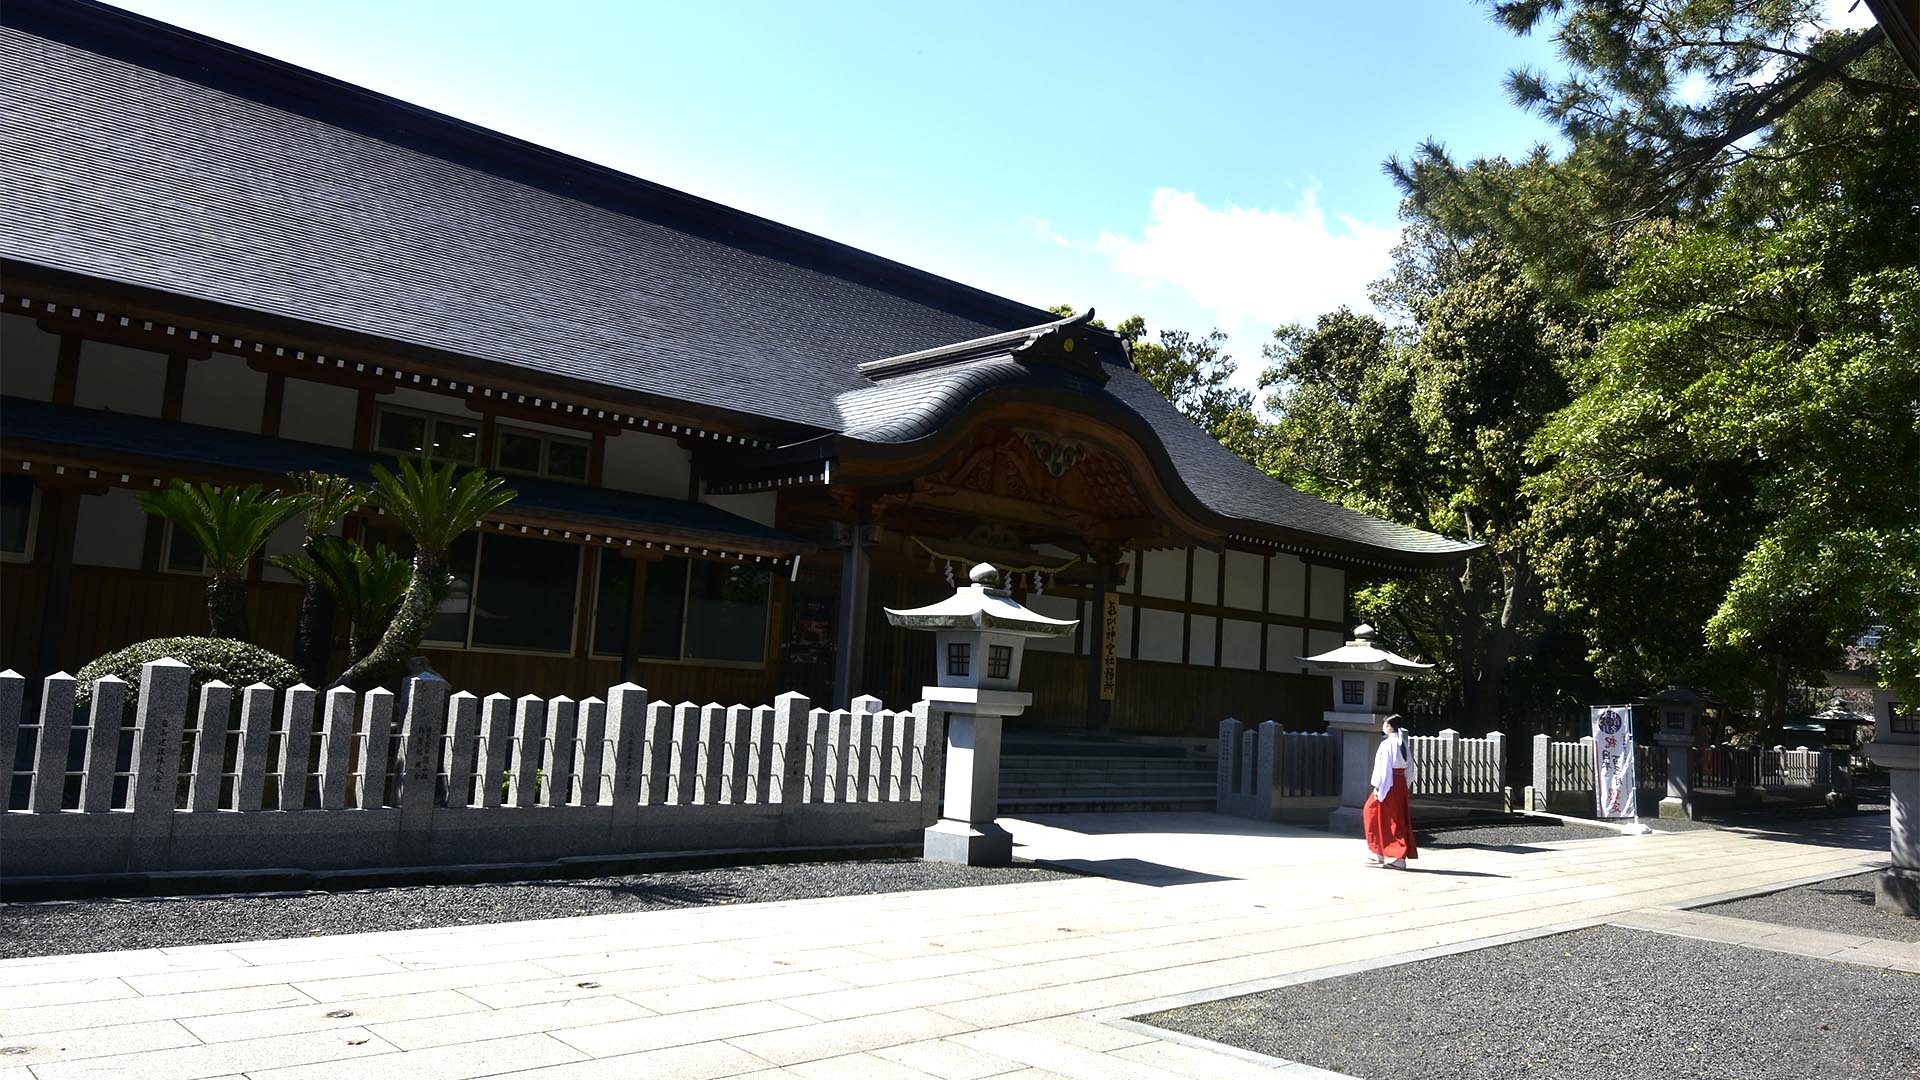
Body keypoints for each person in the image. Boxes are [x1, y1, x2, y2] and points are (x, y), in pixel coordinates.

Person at [1363, 714, 1417, 869]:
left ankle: (1395, 856)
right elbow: (1409, 768)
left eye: (1385, 723)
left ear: (1389, 726)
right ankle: (1378, 852)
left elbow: (1383, 768)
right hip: (1399, 783)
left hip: (1389, 783)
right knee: (1390, 816)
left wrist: (1379, 786)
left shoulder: (1387, 744)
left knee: (1377, 814)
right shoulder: (1403, 743)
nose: (1383, 726)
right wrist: (1405, 786)